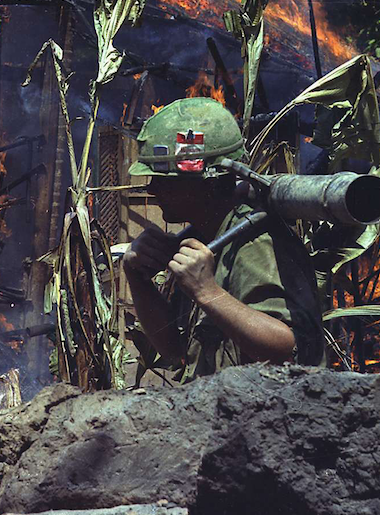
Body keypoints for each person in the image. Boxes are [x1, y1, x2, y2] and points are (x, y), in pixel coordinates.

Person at [123, 97, 325, 382]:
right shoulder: (206, 238)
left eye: (166, 179)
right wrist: (138, 279)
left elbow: (288, 349)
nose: (153, 189)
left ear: (210, 182)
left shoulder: (254, 243)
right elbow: (173, 350)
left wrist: (208, 293)